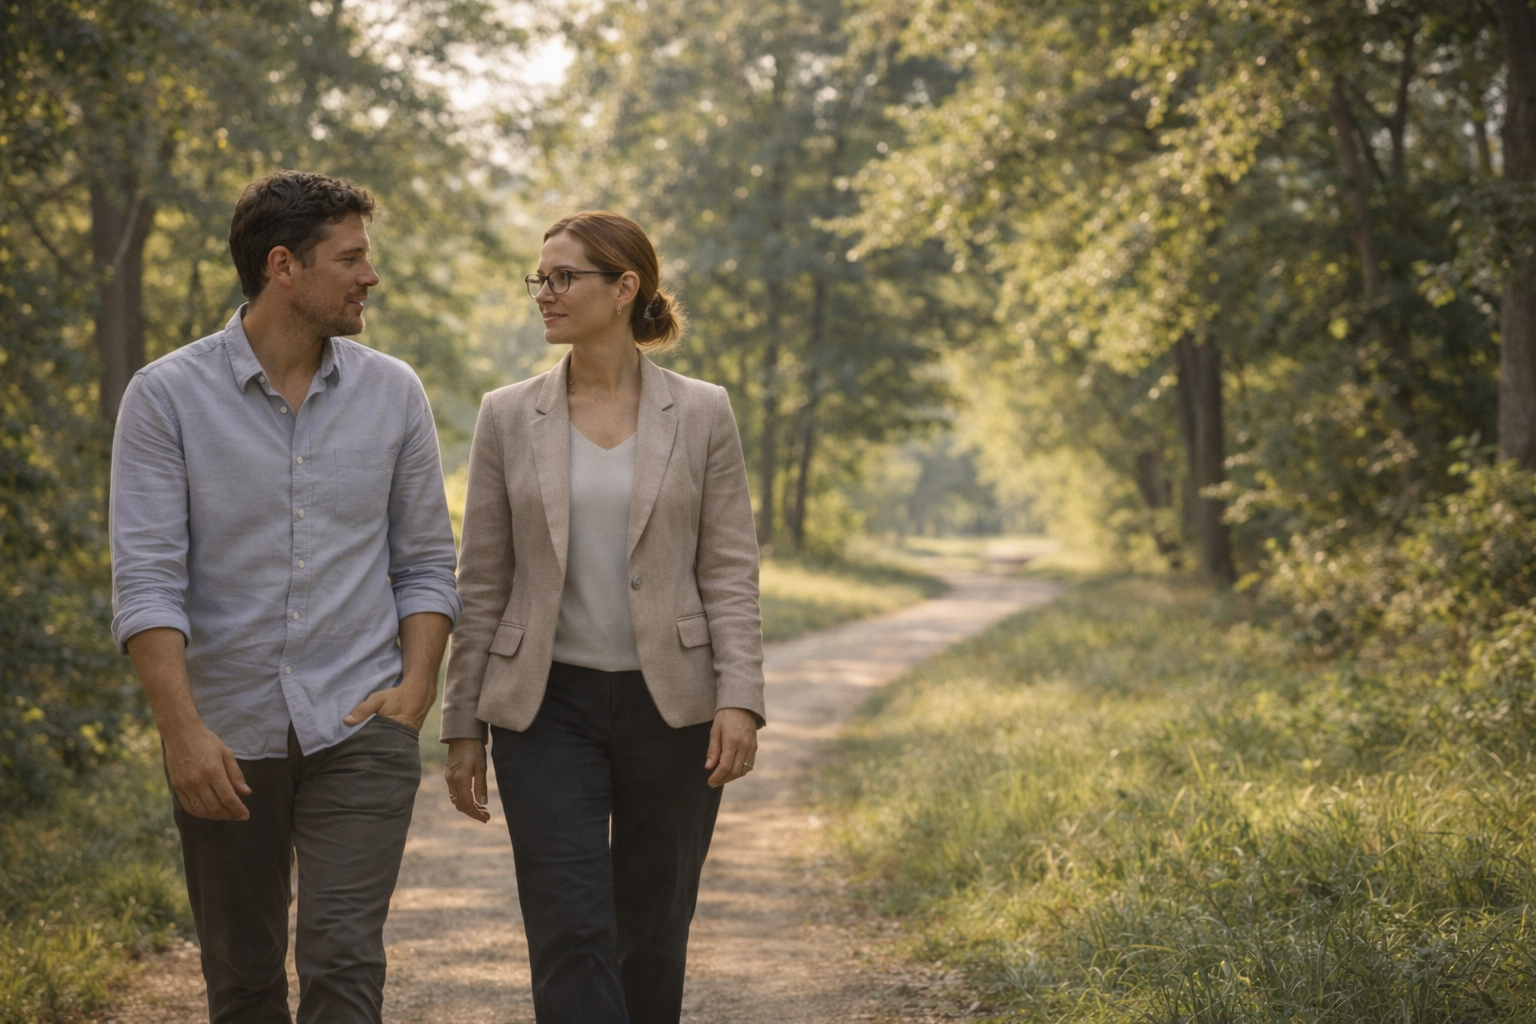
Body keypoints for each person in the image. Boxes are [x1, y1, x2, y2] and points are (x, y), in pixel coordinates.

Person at [110, 170, 460, 1024]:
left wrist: (416, 690)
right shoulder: (165, 399)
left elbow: (425, 562)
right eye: (351, 259)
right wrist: (182, 733)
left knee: (343, 964)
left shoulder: (394, 392)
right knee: (244, 979)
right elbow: (148, 581)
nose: (369, 277)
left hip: (361, 721)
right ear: (283, 267)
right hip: (224, 738)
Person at [441, 210, 765, 1024]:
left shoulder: (701, 413)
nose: (543, 294)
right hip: (544, 709)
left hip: (676, 708)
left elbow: (728, 569)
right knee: (569, 926)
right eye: (537, 279)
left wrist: (740, 699)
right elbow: (482, 578)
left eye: (562, 278)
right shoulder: (507, 415)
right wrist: (462, 726)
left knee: (652, 931)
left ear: (625, 289)